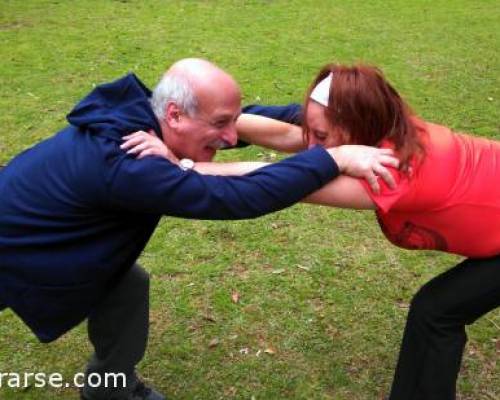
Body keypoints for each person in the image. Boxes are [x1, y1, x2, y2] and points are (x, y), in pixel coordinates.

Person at [0, 59, 398, 400]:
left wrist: (341, 120)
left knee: (127, 287)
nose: (230, 137)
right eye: (221, 123)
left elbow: (250, 120)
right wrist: (334, 157)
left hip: (46, 242)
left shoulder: (146, 112)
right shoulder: (129, 162)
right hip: (15, 249)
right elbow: (237, 196)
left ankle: (109, 387)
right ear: (174, 115)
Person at [124, 63, 500, 400]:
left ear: (356, 131)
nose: (311, 144)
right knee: (434, 311)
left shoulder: (391, 169)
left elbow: (272, 181)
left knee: (436, 313)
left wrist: (181, 165)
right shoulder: (382, 122)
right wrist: (182, 117)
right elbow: (291, 134)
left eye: (322, 135)